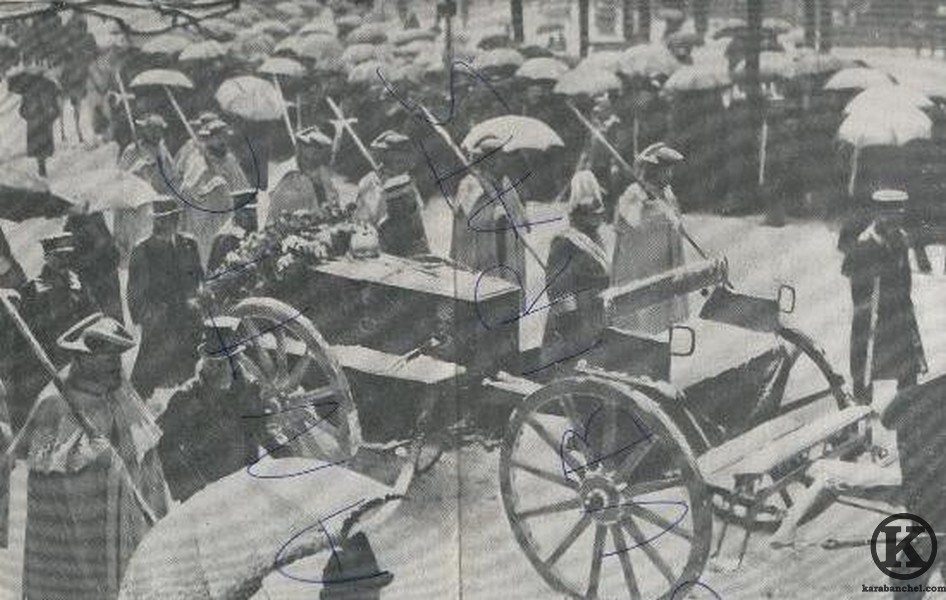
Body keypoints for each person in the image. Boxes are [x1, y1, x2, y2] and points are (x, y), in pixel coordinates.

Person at [22, 312, 170, 600]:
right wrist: (94, 461)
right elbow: (49, 486)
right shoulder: (55, 404)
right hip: (81, 547)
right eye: (106, 356)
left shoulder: (123, 394)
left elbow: (149, 465)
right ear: (81, 358)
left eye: (118, 354)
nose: (116, 363)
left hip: (128, 534)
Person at [156, 317, 263, 502]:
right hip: (204, 493)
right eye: (211, 363)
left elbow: (260, 432)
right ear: (203, 360)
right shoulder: (185, 398)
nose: (216, 369)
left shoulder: (248, 392)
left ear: (235, 362)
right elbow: (164, 445)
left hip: (244, 488)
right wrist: (188, 489)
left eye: (222, 363)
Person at [839, 189, 927, 403]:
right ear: (878, 214)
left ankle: (906, 410)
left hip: (898, 313)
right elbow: (850, 274)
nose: (894, 221)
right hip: (872, 313)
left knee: (907, 366)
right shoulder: (865, 242)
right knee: (865, 366)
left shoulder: (900, 238)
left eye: (898, 215)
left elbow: (905, 278)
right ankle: (861, 410)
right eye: (889, 216)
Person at [127, 198, 203, 399]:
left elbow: (198, 280)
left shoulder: (189, 244)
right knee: (148, 383)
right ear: (156, 220)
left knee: (190, 380)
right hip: (160, 330)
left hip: (189, 324)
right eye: (164, 219)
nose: (170, 222)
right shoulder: (142, 250)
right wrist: (154, 316)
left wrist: (196, 302)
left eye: (174, 217)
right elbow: (135, 298)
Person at [611, 142, 688, 335]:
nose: (670, 175)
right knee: (642, 324)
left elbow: (676, 225)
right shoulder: (634, 193)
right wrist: (646, 201)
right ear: (654, 170)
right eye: (666, 170)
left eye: (671, 170)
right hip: (640, 271)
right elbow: (630, 224)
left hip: (664, 268)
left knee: (663, 323)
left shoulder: (668, 194)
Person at [541, 171, 611, 375]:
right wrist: (571, 327)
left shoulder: (595, 237)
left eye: (599, 215)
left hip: (595, 315)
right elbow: (559, 290)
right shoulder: (564, 242)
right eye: (592, 215)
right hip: (573, 321)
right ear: (578, 215)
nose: (597, 220)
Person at [450, 136, 530, 283]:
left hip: (506, 251)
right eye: (498, 158)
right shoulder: (470, 184)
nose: (504, 162)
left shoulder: (505, 182)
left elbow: (519, 214)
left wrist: (520, 218)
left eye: (503, 157)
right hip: (482, 255)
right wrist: (492, 216)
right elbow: (465, 224)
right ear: (487, 161)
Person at [178, 118, 251, 266]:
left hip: (230, 217)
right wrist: (210, 184)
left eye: (224, 136)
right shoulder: (198, 160)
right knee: (208, 256)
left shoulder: (230, 159)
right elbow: (186, 190)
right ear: (209, 139)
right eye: (218, 137)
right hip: (207, 219)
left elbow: (242, 188)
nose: (223, 141)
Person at [354, 130, 430, 257]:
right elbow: (363, 222)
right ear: (386, 157)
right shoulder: (370, 182)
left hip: (410, 248)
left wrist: (423, 249)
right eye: (398, 157)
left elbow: (417, 220)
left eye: (405, 155)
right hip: (380, 247)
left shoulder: (407, 181)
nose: (404, 160)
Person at [115, 113, 176, 267]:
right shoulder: (133, 150)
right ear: (144, 130)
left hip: (160, 205)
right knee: (138, 247)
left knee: (160, 247)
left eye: (159, 130)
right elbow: (120, 178)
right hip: (137, 206)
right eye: (152, 129)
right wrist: (137, 169)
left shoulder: (163, 150)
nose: (156, 133)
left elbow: (172, 176)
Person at [268, 127, 339, 224]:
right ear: (299, 149)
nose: (317, 158)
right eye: (313, 151)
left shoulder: (320, 171)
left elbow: (332, 199)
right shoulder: (288, 173)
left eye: (319, 152)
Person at [64, 208, 122, 321]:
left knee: (114, 317)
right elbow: (72, 262)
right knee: (101, 317)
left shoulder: (96, 217)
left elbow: (114, 254)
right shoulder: (72, 227)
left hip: (107, 278)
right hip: (93, 282)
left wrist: (108, 246)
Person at [18, 74, 61, 177]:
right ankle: (41, 166)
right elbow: (56, 106)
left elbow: (22, 109)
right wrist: (53, 116)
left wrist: (27, 115)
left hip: (37, 122)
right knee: (41, 147)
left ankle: (41, 165)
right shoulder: (49, 86)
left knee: (39, 147)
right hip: (41, 121)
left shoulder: (28, 89)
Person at [207, 189, 259, 274]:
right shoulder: (224, 240)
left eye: (253, 211)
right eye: (246, 212)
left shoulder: (260, 236)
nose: (252, 216)